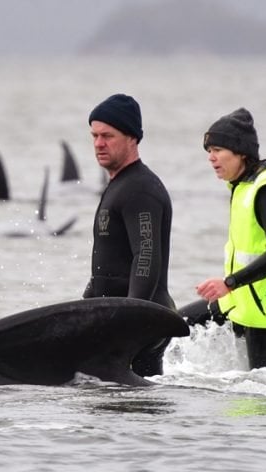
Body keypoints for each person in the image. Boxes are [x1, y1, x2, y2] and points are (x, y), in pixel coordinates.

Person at [190, 108, 266, 372]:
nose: (211, 158)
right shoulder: (242, 186)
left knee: (265, 401)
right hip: (240, 301)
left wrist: (229, 283)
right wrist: (230, 287)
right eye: (208, 151)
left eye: (218, 149)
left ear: (241, 152)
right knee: (170, 326)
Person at [83, 93, 176, 377]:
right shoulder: (120, 185)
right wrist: (87, 304)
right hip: (121, 319)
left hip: (139, 323)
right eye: (94, 135)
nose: (99, 143)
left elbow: (145, 255)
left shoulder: (140, 190)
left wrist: (131, 318)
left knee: (133, 411)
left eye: (108, 135)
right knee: (122, 408)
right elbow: (110, 260)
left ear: (132, 138)